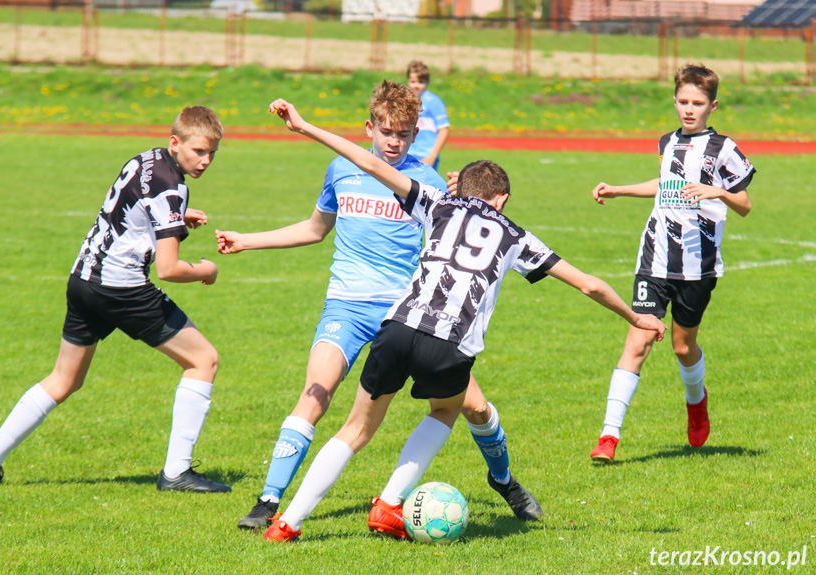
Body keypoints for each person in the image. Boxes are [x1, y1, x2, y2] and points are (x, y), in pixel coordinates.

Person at [261, 97, 667, 542]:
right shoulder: (516, 236)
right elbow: (589, 284)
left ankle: (287, 523)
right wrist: (637, 317)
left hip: (397, 327)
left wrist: (303, 126)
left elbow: (366, 162)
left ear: (460, 189)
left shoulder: (435, 203)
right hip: (449, 343)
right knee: (448, 409)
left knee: (356, 427)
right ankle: (388, 505)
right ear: (503, 199)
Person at [218, 80, 542, 533]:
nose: (394, 141)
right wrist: (247, 240)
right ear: (369, 127)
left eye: (404, 133)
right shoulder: (340, 170)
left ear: (415, 134)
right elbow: (315, 229)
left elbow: (464, 231)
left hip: (409, 315)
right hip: (347, 306)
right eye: (387, 131)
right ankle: (268, 500)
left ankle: (504, 481)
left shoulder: (424, 181)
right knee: (316, 393)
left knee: (475, 408)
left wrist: (463, 197)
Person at [0, 106, 231, 493]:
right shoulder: (173, 188)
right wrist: (207, 270)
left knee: (63, 379)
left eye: (212, 154)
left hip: (84, 279)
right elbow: (169, 269)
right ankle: (176, 473)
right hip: (123, 289)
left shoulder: (146, 159)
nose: (205, 161)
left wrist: (177, 216)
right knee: (204, 360)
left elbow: (134, 204)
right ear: (176, 142)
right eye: (199, 151)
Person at [588, 63, 755, 463]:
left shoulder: (724, 149)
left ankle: (696, 403)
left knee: (683, 348)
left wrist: (717, 191)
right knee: (638, 338)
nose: (689, 109)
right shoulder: (666, 142)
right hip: (655, 258)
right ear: (675, 100)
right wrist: (619, 190)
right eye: (683, 101)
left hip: (698, 266)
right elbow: (664, 183)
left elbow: (745, 205)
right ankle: (608, 437)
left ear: (713, 106)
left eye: (698, 103)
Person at [406, 60, 449, 170]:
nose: (416, 85)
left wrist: (432, 156)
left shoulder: (433, 101)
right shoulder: (404, 100)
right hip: (407, 154)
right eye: (413, 81)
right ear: (407, 81)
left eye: (421, 82)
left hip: (427, 155)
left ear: (427, 82)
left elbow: (444, 129)